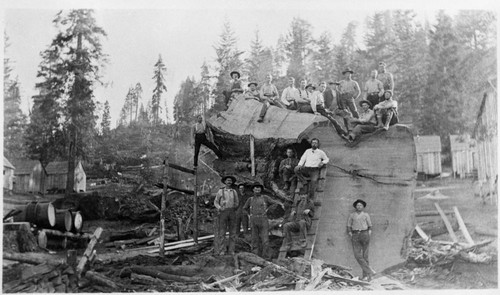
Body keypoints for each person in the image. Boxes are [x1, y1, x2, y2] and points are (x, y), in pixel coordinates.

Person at [243, 182, 283, 259]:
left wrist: (269, 210)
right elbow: (244, 209)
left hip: (263, 220)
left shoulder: (265, 197)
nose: (257, 189)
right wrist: (248, 215)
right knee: (254, 239)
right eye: (255, 187)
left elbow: (275, 203)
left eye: (259, 187)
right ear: (253, 189)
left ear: (261, 189)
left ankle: (266, 257)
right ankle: (255, 257)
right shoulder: (250, 199)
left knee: (265, 240)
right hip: (253, 220)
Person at [347, 199, 376, 281]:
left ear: (363, 207)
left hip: (364, 234)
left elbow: (370, 225)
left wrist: (369, 232)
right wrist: (350, 233)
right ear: (355, 206)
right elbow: (348, 225)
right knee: (357, 255)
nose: (359, 207)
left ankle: (366, 276)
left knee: (365, 256)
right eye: (357, 205)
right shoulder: (352, 215)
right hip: (355, 235)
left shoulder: (366, 215)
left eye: (361, 205)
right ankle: (370, 271)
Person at [214, 175, 239, 255]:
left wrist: (234, 207)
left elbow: (237, 202)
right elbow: (216, 202)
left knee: (233, 232)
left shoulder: (234, 192)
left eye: (230, 181)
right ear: (225, 182)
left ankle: (231, 250)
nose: (229, 182)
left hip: (232, 212)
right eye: (228, 180)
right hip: (223, 212)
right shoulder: (220, 191)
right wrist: (219, 208)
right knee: (222, 232)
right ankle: (222, 250)